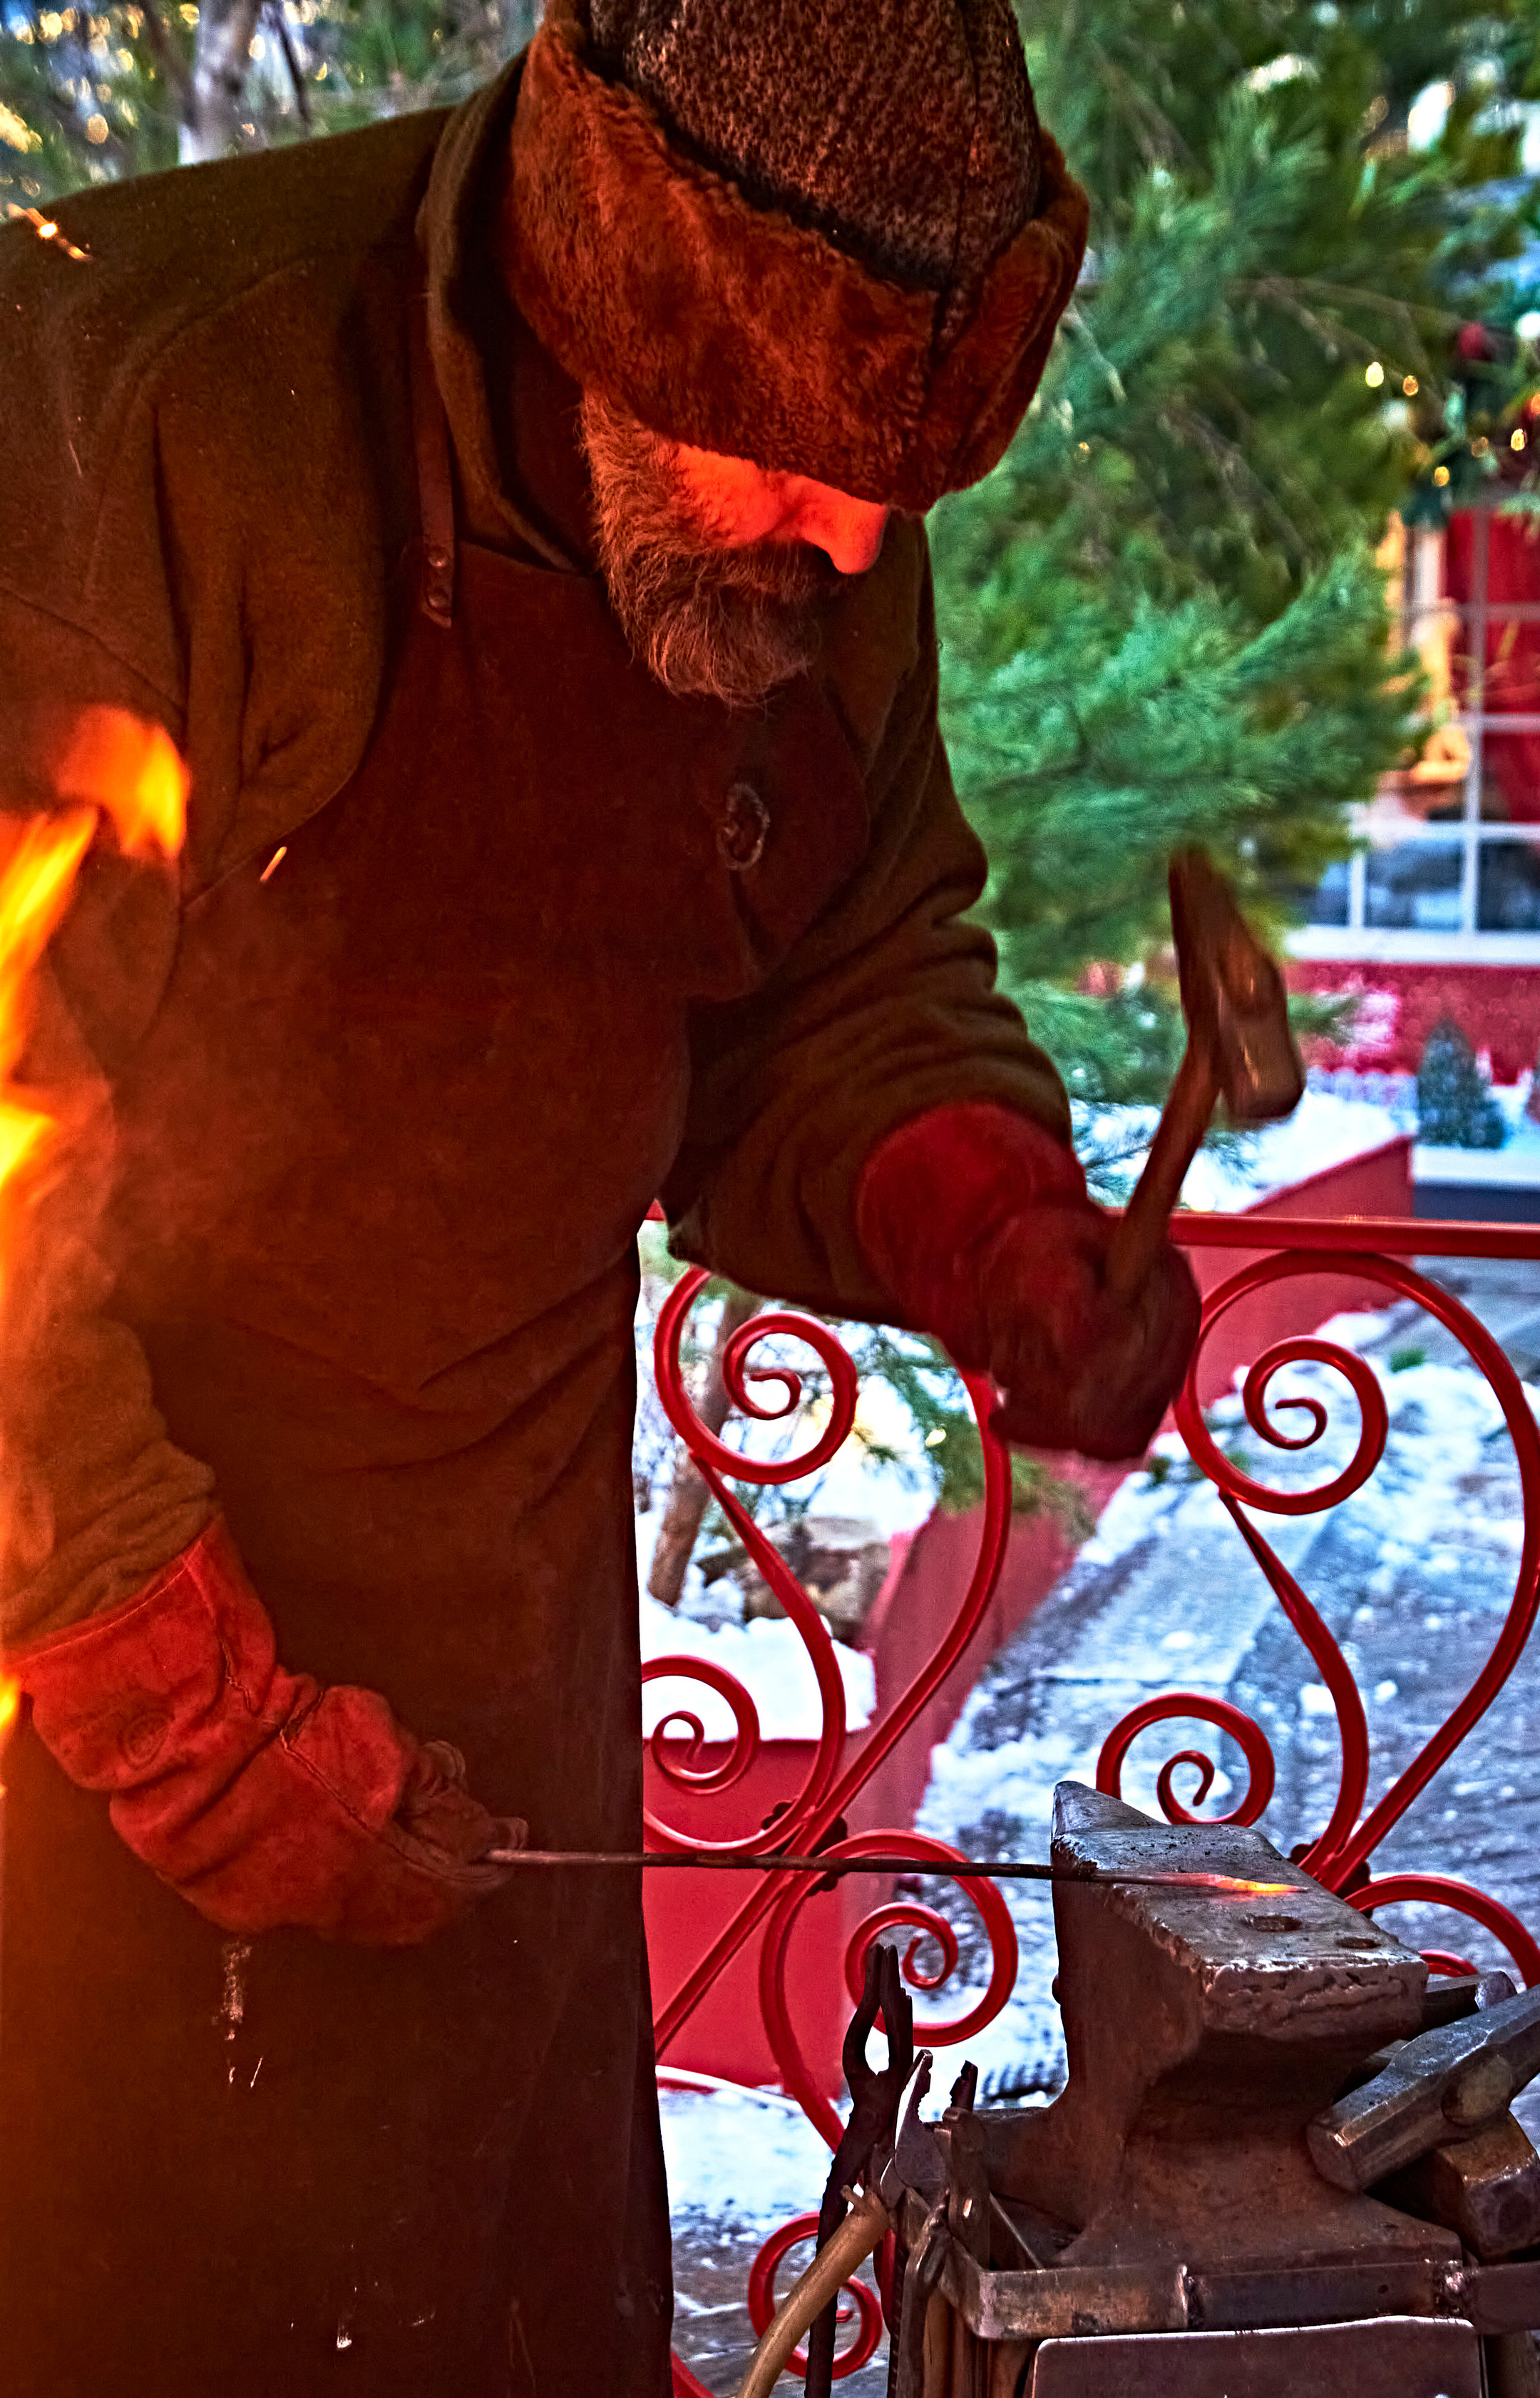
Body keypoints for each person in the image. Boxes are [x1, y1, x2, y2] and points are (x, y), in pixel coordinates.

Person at [0, 3, 1199, 2389]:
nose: (855, 541)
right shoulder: (148, 418)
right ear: (609, 300)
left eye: (899, 486)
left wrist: (978, 1213)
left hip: (507, 1689)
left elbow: (837, 970)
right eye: (802, 462)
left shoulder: (812, 541)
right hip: (77, 1719)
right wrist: (168, 1691)